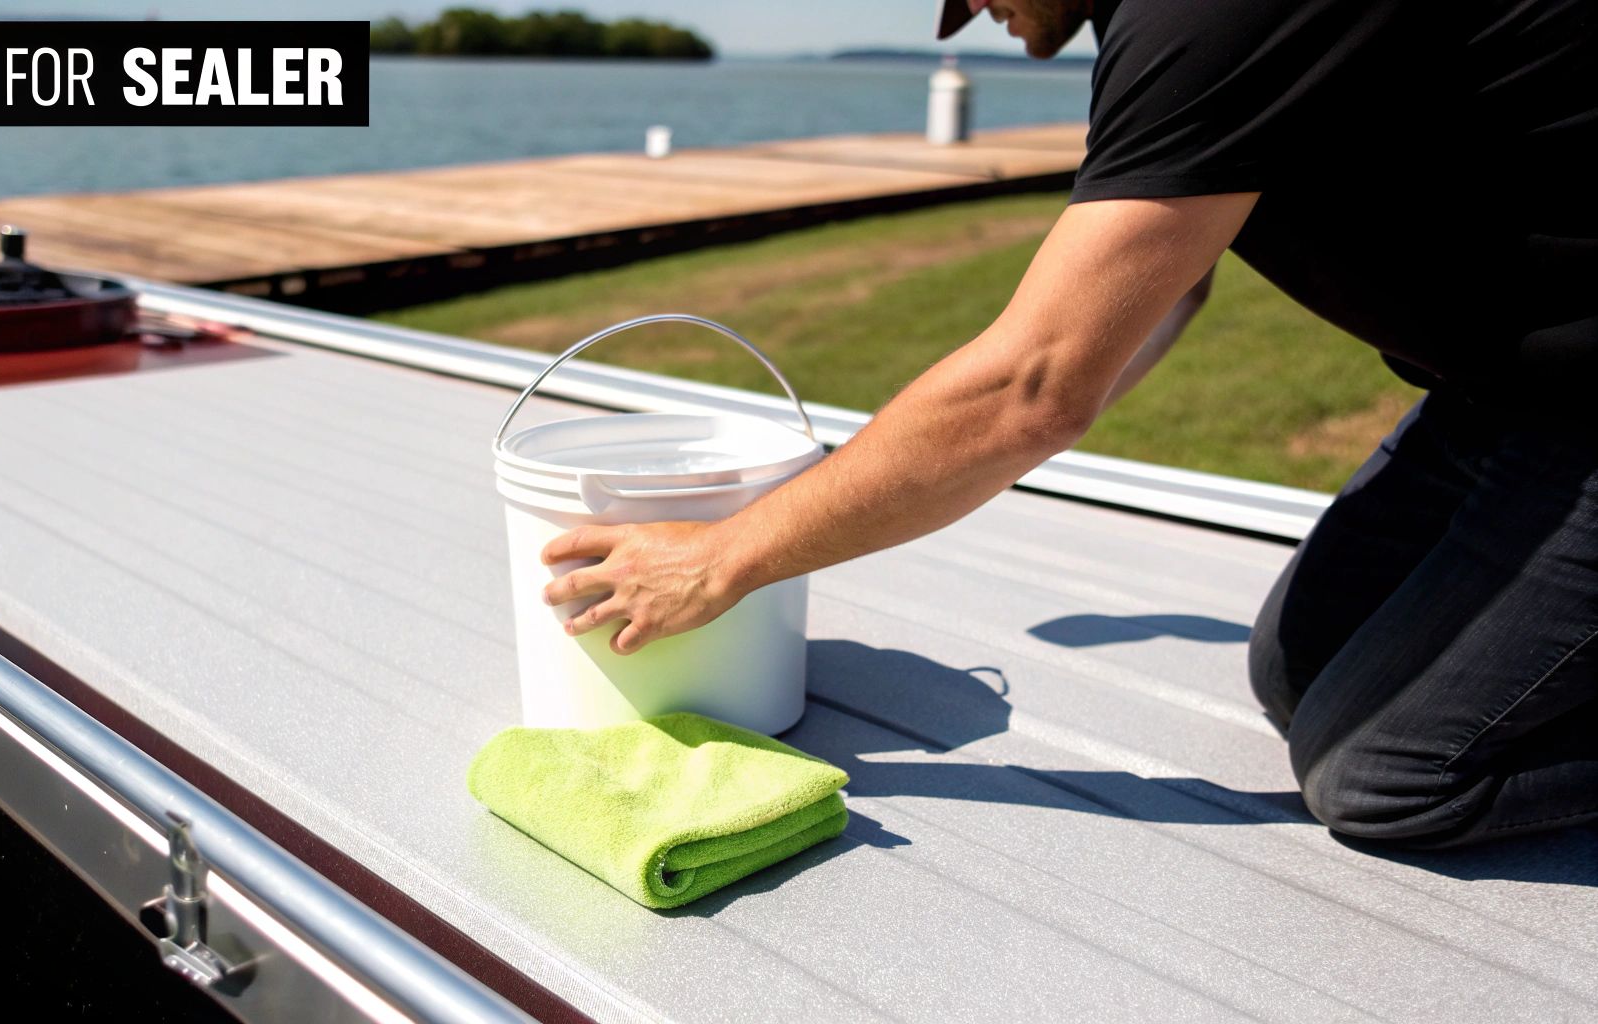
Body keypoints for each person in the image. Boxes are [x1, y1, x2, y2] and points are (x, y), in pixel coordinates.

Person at [538, 0, 1598, 848]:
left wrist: (726, 556)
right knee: (1293, 673)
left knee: (1386, 778)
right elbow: (1155, 296)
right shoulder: (1151, 25)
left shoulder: (1202, 18)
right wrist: (955, 442)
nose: (963, 15)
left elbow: (1030, 388)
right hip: (1498, 401)